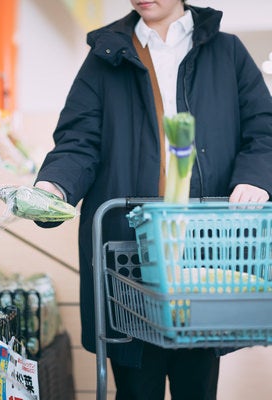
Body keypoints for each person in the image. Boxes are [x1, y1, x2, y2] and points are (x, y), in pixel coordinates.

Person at [34, 0, 272, 398]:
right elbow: (78, 140)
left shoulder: (227, 53)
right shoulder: (105, 55)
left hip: (205, 247)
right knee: (134, 380)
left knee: (196, 379)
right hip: (127, 250)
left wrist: (255, 178)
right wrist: (54, 186)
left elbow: (263, 130)